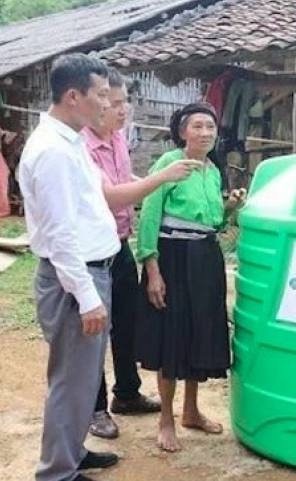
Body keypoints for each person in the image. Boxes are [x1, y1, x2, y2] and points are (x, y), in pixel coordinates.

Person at [18, 53, 117, 481]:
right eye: (100, 94)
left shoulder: (71, 141)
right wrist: (87, 296)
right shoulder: (53, 151)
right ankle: (56, 479)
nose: (106, 102)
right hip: (75, 281)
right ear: (73, 96)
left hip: (92, 272)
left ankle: (71, 451)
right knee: (70, 379)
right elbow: (60, 234)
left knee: (84, 376)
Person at [80, 69, 195, 439]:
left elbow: (126, 184)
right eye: (113, 103)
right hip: (89, 252)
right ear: (93, 104)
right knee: (94, 332)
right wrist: (161, 179)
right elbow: (109, 195)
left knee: (127, 325)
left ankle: (126, 394)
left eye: (125, 101)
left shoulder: (115, 139)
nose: (122, 109)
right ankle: (95, 408)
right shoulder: (81, 147)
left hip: (120, 244)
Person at [135, 101, 246, 452]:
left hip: (205, 257)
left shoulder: (213, 171)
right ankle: (166, 418)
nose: (205, 132)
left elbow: (213, 225)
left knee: (200, 331)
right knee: (172, 335)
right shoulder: (169, 164)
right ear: (182, 132)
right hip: (173, 257)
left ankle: (191, 412)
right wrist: (152, 268)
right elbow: (150, 215)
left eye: (210, 127)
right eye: (197, 126)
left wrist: (229, 210)